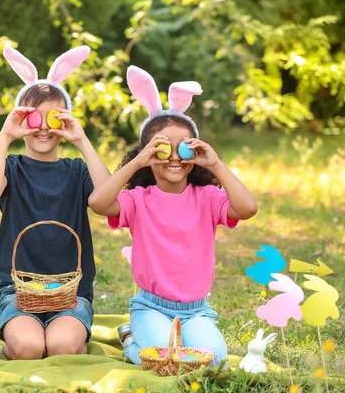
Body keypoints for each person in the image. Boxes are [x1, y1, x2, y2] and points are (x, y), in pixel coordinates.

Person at [88, 66, 257, 366]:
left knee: (213, 360)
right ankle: (132, 340)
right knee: (163, 362)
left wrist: (216, 165)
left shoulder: (207, 198)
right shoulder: (139, 200)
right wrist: (137, 163)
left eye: (183, 147)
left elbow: (247, 208)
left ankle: (141, 341)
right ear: (149, 152)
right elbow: (98, 202)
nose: (175, 157)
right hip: (150, 307)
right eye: (164, 148)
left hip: (197, 309)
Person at [0, 44, 110, 360]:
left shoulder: (77, 170)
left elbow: (110, 201)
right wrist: (5, 135)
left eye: (53, 117)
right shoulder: (11, 167)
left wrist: (81, 140)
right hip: (18, 292)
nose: (42, 127)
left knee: (62, 346)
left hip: (71, 292)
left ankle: (71, 340)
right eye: (33, 117)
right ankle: (24, 343)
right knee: (30, 347)